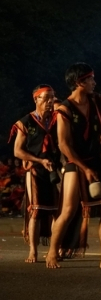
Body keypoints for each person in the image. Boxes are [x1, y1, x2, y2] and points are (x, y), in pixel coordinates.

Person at [45, 63, 101, 269]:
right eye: (90, 79)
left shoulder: (95, 100)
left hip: (96, 160)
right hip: (75, 162)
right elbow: (63, 144)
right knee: (69, 210)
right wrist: (84, 168)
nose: (94, 82)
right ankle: (52, 252)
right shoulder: (64, 109)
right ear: (79, 82)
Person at [11, 84, 60, 263]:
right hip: (36, 170)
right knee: (37, 211)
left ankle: (55, 248)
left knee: (57, 211)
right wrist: (39, 161)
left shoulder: (57, 119)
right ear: (36, 99)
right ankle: (33, 250)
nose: (50, 101)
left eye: (52, 97)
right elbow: (18, 151)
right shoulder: (26, 122)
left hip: (55, 169)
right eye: (45, 98)